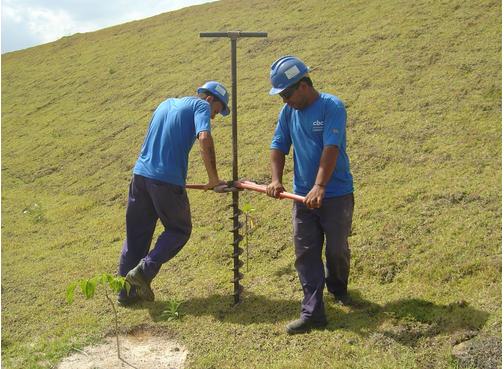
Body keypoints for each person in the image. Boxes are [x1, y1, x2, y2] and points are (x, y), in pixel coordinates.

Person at [117, 81, 230, 305]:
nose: (214, 117)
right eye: (216, 111)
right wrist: (214, 179)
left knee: (136, 235)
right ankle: (143, 272)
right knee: (179, 230)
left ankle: (125, 295)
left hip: (140, 176)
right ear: (210, 100)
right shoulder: (201, 107)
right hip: (166, 180)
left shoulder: (165, 104)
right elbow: (204, 137)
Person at [265, 56, 354, 334]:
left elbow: (331, 147)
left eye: (287, 94)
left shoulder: (331, 106)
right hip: (301, 197)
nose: (284, 100)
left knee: (336, 249)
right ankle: (313, 312)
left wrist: (320, 186)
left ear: (303, 85)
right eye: (281, 96)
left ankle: (338, 288)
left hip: (336, 193)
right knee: (305, 253)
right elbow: (279, 145)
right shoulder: (288, 113)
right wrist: (276, 180)